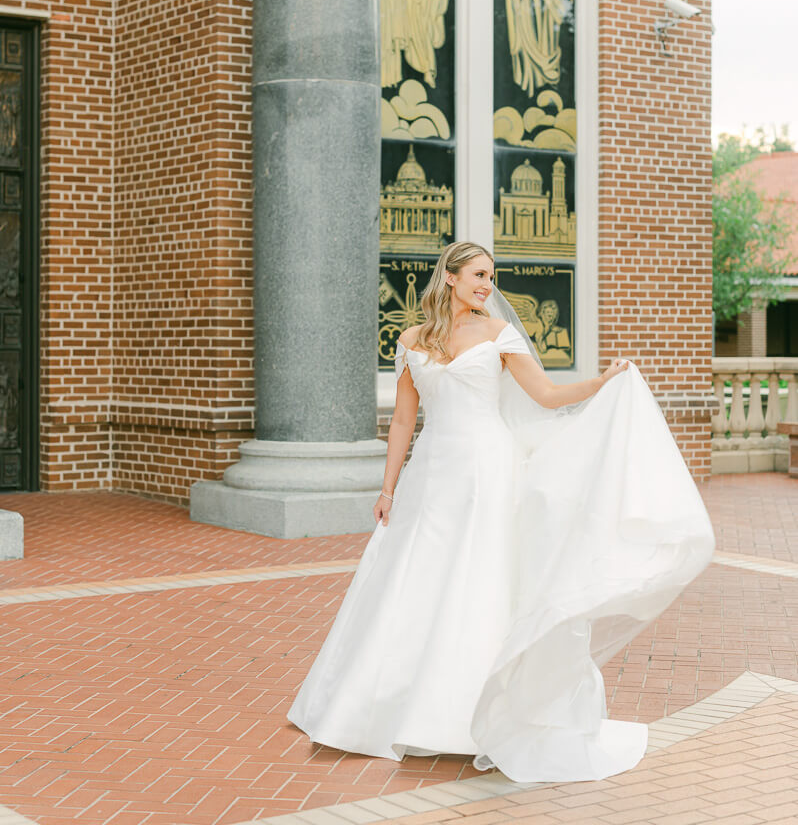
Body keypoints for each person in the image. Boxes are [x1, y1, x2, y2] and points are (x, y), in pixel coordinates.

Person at [288, 241, 715, 784]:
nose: (487, 285)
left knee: (479, 582)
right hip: (432, 476)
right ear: (449, 276)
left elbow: (547, 396)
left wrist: (601, 384)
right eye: (478, 274)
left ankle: (478, 715)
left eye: (491, 277)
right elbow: (401, 421)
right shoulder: (412, 340)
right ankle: (391, 703)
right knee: (416, 581)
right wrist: (388, 488)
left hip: (489, 473)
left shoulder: (498, 334)